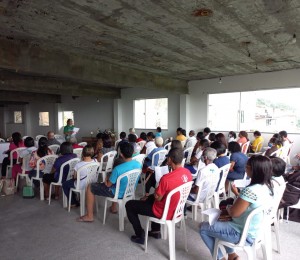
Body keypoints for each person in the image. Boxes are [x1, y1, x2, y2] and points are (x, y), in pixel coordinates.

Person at [200, 155, 274, 260]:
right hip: (256, 230)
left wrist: (228, 208)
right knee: (219, 224)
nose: (245, 169)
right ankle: (232, 256)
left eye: (247, 166)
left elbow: (234, 213)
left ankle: (220, 258)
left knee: (203, 228)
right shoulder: (268, 188)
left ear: (254, 170)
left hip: (242, 233)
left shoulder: (250, 191)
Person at [125, 148, 192, 244]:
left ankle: (140, 235)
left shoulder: (166, 179)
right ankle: (155, 231)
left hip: (163, 211)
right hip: (176, 208)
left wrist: (157, 187)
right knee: (149, 198)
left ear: (170, 159)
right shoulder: (187, 173)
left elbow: (158, 197)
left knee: (130, 205)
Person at [76, 142, 141, 221]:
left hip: (116, 192)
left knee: (90, 187)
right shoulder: (138, 164)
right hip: (129, 190)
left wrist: (106, 178)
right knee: (118, 183)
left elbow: (108, 185)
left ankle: (89, 216)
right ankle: (113, 208)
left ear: (121, 154)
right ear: (133, 152)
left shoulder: (118, 169)